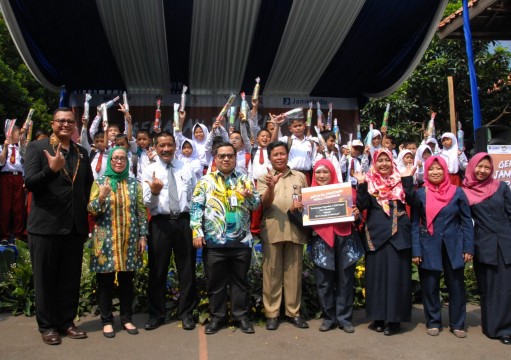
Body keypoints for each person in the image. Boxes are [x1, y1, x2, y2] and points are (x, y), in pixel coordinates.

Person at [24, 108, 93, 345]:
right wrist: (50, 169)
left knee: (69, 278)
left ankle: (66, 322)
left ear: (75, 125)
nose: (65, 125)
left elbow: (86, 186)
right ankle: (47, 326)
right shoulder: (37, 148)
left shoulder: (81, 152)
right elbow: (30, 183)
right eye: (61, 121)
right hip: (45, 226)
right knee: (45, 279)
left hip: (74, 226)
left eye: (70, 122)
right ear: (53, 123)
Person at [190, 142, 260, 335]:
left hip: (241, 242)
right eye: (222, 156)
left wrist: (248, 197)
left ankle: (241, 317)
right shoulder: (205, 181)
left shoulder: (245, 179)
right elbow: (196, 208)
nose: (226, 159)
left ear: (235, 158)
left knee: (240, 282)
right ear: (215, 158)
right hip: (214, 242)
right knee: (216, 282)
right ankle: (217, 318)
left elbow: (256, 204)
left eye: (230, 155)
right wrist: (197, 231)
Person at [88, 146, 148, 338]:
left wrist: (142, 236)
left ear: (127, 161)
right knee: (105, 281)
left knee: (127, 281)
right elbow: (91, 210)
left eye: (122, 158)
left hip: (128, 240)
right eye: (115, 159)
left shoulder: (133, 184)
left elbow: (140, 212)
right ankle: (106, 321)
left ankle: (126, 319)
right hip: (105, 240)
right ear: (110, 161)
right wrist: (103, 196)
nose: (119, 162)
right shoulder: (99, 181)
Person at [411, 156, 474, 338]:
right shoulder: (421, 193)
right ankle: (433, 321)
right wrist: (416, 249)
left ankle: (458, 323)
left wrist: (468, 247)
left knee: (456, 286)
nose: (435, 172)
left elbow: (467, 222)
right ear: (427, 172)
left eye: (439, 169)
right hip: (428, 244)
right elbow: (415, 223)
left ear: (445, 170)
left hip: (454, 245)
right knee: (429, 285)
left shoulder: (457, 192)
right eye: (431, 169)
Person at [353, 149, 414, 336]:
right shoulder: (370, 182)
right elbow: (362, 206)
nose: (384, 164)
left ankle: (395, 320)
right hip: (375, 236)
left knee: (397, 278)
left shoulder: (400, 180)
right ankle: (378, 318)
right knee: (376, 278)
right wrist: (361, 184)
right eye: (380, 161)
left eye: (387, 160)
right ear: (374, 163)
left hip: (398, 236)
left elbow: (412, 200)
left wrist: (407, 180)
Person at [142, 131, 197, 331]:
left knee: (187, 269)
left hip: (184, 222)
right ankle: (156, 314)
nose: (166, 149)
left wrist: (196, 225)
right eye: (161, 145)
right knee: (157, 269)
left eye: (169, 145)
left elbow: (195, 197)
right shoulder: (150, 170)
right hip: (160, 223)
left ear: (175, 146)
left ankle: (187, 313)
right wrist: (155, 192)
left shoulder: (186, 168)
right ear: (155, 148)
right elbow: (147, 201)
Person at [257, 141, 309, 330]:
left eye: (282, 153)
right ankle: (272, 314)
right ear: (270, 158)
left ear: (288, 155)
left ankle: (293, 312)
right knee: (271, 273)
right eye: (275, 154)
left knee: (294, 273)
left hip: (295, 229)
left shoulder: (300, 177)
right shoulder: (264, 178)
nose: (279, 157)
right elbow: (264, 203)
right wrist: (271, 186)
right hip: (273, 229)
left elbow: (309, 201)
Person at [307, 159, 363, 332]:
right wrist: (297, 210)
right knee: (323, 281)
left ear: (332, 172)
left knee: (345, 280)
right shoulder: (309, 195)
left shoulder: (348, 192)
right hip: (321, 239)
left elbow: (360, 215)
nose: (322, 176)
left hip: (344, 237)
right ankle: (328, 318)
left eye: (326, 172)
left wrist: (356, 214)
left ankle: (344, 319)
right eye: (318, 172)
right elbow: (304, 222)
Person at [462, 153, 511, 345]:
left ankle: (506, 327)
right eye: (479, 167)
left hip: (507, 241)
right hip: (484, 243)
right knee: (490, 287)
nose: (482, 171)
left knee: (507, 287)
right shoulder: (464, 192)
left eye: (487, 167)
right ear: (472, 166)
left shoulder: (501, 187)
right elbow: (464, 222)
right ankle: (494, 328)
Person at [0, 126, 25, 244]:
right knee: (5, 206)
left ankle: (17, 235)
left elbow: (25, 160)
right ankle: (4, 235)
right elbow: (1, 161)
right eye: (17, 133)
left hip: (19, 177)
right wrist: (5, 147)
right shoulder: (2, 147)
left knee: (18, 207)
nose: (19, 136)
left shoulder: (20, 148)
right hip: (6, 176)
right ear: (10, 134)